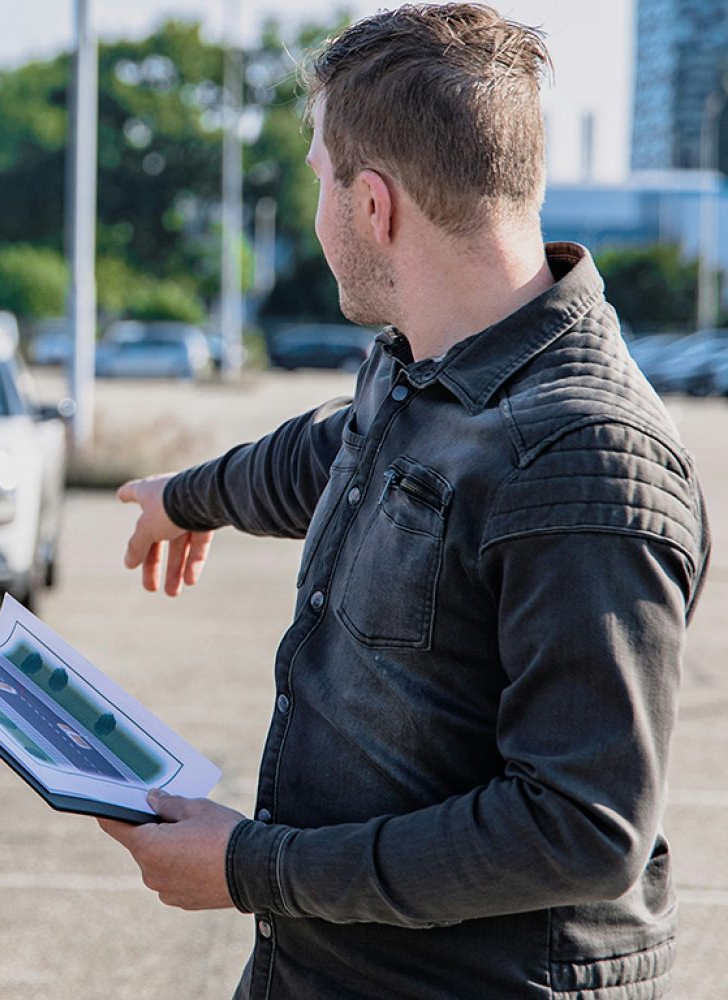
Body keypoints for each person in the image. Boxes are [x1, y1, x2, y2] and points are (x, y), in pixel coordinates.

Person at [102, 5, 710, 998]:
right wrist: (189, 495)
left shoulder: (588, 459)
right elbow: (336, 451)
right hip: (330, 966)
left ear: (373, 205)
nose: (317, 211)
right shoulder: (427, 369)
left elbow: (579, 827)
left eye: (318, 183)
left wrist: (247, 866)